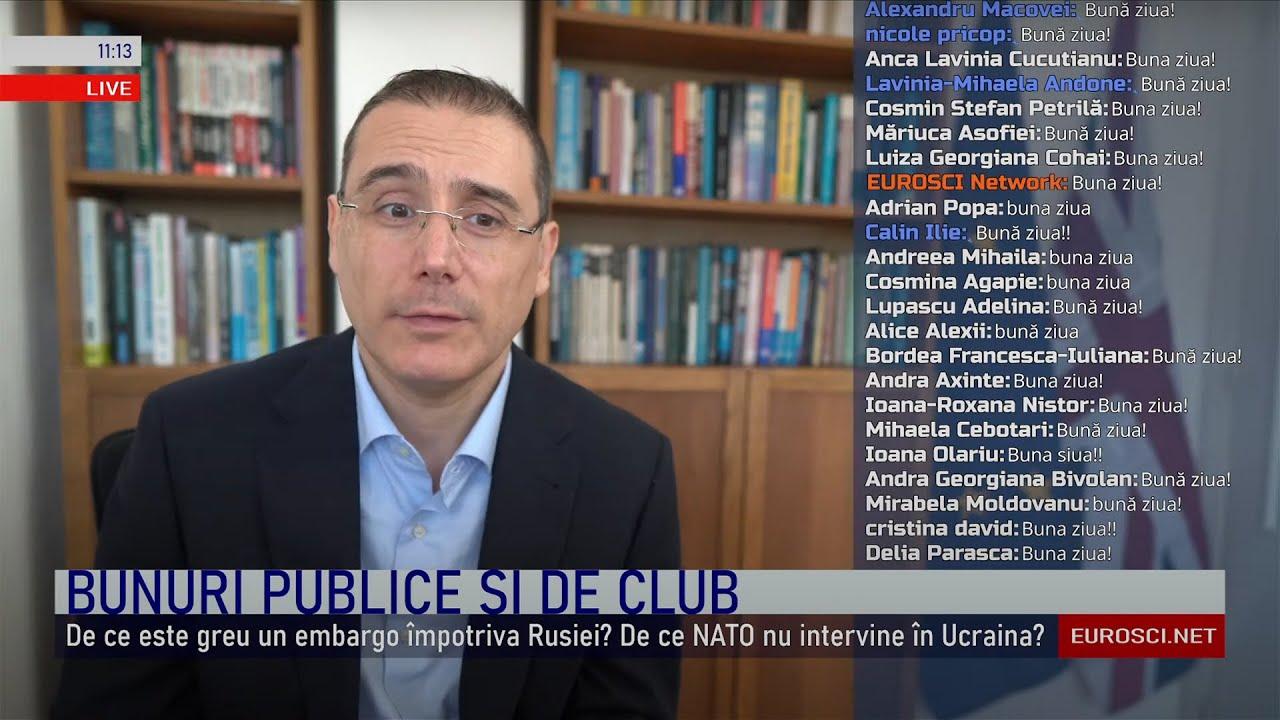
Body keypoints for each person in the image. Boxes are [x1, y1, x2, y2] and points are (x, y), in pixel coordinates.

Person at [53, 69, 681, 720]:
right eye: (396, 209)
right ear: (337, 231)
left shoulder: (628, 473)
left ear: (543, 258)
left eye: (484, 218)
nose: (437, 257)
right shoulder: (186, 441)